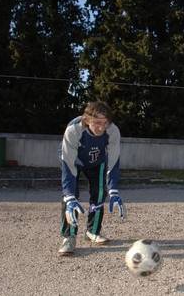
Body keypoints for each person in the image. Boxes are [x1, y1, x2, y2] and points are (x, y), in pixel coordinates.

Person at [58, 101, 126, 256]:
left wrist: (114, 189)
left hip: (98, 161)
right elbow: (68, 166)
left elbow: (114, 161)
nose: (101, 128)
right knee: (70, 199)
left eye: (105, 123)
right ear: (87, 119)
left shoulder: (113, 131)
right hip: (74, 161)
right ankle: (69, 237)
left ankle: (92, 231)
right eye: (96, 123)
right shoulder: (74, 130)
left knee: (100, 194)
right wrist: (68, 194)